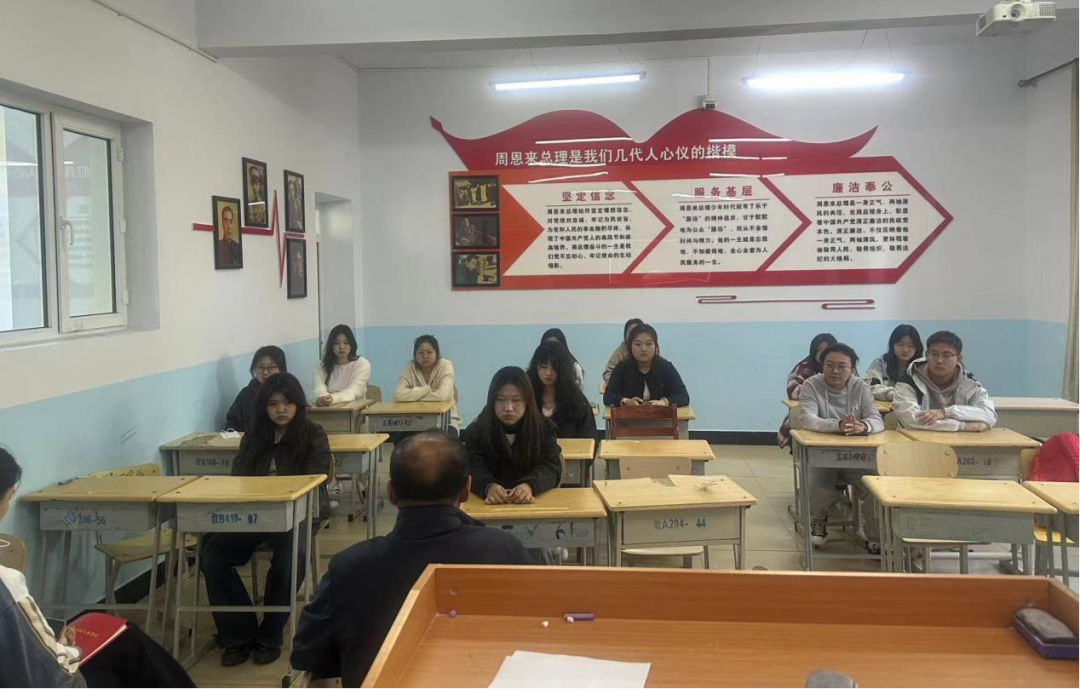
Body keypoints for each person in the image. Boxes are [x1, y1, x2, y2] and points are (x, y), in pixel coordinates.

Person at [290, 432, 531, 688]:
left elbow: (306, 655)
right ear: (466, 490)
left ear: (391, 493)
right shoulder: (506, 552)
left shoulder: (348, 567)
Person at [0, 448, 195, 689]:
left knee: (124, 640)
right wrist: (65, 648)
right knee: (127, 642)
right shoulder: (6, 583)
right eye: (9, 498)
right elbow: (50, 674)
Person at [201, 373, 331, 667]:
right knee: (213, 553)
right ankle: (238, 633)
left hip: (298, 512)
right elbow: (238, 478)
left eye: (287, 403)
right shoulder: (253, 436)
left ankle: (271, 633)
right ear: (264, 407)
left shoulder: (313, 433)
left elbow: (315, 479)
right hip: (255, 514)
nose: (281, 409)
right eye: (273, 404)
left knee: (290, 556)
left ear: (298, 405)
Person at [798, 343, 885, 551]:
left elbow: (877, 420)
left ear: (852, 369)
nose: (835, 371)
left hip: (856, 456)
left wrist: (863, 426)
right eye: (830, 365)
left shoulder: (860, 387)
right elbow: (808, 419)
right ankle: (818, 520)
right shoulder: (811, 385)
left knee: (876, 484)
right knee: (818, 482)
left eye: (842, 366)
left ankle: (876, 536)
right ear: (822, 366)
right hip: (823, 455)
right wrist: (837, 425)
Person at [464, 367, 562, 505]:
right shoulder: (476, 431)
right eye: (500, 399)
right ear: (492, 401)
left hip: (533, 505)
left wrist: (530, 486)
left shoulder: (545, 429)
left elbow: (551, 467)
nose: (508, 408)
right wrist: (488, 486)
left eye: (516, 400)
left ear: (527, 401)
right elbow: (472, 467)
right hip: (488, 505)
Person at [893, 331, 997, 432]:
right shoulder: (909, 381)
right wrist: (962, 426)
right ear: (927, 355)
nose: (939, 360)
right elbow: (910, 420)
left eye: (946, 355)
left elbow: (989, 415)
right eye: (934, 354)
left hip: (960, 441)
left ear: (959, 359)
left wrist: (946, 412)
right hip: (913, 441)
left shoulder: (970, 385)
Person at [603, 323, 689, 408]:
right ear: (630, 346)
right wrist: (625, 401)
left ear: (655, 346)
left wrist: (664, 402)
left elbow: (683, 396)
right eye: (637, 344)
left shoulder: (665, 367)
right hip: (629, 416)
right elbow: (608, 397)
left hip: (661, 415)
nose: (643, 349)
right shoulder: (622, 368)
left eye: (649, 344)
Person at [392, 335, 462, 436]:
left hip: (446, 420)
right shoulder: (410, 367)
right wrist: (427, 389)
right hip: (415, 420)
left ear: (436, 353)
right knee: (401, 439)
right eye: (421, 352)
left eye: (429, 352)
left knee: (444, 440)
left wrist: (412, 397)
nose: (425, 356)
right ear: (415, 354)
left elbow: (442, 395)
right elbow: (398, 395)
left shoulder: (445, 366)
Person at [777, 333, 837, 448]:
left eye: (826, 350)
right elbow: (793, 390)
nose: (821, 354)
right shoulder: (806, 367)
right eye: (818, 350)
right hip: (808, 414)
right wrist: (823, 395)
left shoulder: (843, 367)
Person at [527, 341, 597, 440]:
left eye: (554, 368)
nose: (548, 372)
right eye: (543, 367)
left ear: (562, 369)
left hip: (570, 450)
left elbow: (589, 439)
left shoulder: (576, 400)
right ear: (536, 367)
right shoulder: (528, 397)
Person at [226, 345, 287, 432]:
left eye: (271, 367)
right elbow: (232, 423)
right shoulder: (246, 394)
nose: (265, 372)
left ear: (281, 369)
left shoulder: (289, 392)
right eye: (260, 367)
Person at [313, 324, 371, 406]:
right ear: (331, 346)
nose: (342, 347)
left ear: (352, 344)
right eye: (337, 343)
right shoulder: (321, 365)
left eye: (346, 343)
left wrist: (332, 398)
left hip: (355, 409)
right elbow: (318, 388)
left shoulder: (362, 364)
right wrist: (322, 397)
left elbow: (353, 391)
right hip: (327, 408)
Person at [863, 325, 923, 402]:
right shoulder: (880, 363)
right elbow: (867, 387)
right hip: (885, 406)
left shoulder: (922, 366)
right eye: (900, 345)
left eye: (911, 346)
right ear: (892, 345)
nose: (905, 350)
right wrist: (892, 394)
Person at [602, 318, 643, 385]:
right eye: (630, 332)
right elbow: (608, 373)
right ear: (625, 334)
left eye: (636, 332)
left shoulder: (649, 349)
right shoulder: (620, 352)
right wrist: (620, 385)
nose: (633, 335)